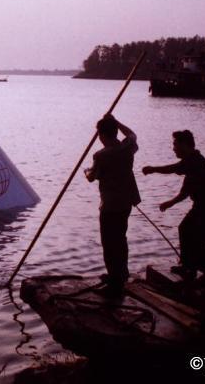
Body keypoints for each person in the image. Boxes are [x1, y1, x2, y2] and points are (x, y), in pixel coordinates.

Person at [142, 130, 205, 283]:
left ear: (185, 145)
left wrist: (152, 169)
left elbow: (173, 168)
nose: (174, 148)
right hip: (202, 206)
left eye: (175, 145)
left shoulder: (194, 160)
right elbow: (186, 191)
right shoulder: (192, 163)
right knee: (185, 229)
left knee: (199, 237)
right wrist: (171, 203)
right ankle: (188, 266)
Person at [84, 114, 141, 296]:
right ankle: (120, 274)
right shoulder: (127, 147)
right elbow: (132, 134)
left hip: (110, 205)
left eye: (100, 134)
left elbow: (92, 177)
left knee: (109, 243)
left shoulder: (101, 155)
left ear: (101, 135)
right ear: (115, 132)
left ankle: (115, 281)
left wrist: (86, 171)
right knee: (121, 239)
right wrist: (116, 121)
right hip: (126, 202)